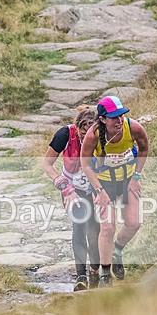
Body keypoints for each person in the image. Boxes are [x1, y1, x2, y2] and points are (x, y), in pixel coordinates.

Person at [80, 96, 149, 287]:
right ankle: (104, 274)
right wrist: (99, 191)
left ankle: (117, 251)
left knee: (134, 223)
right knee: (108, 227)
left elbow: (144, 149)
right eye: (114, 117)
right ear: (103, 119)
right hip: (103, 183)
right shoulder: (93, 135)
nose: (119, 121)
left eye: (121, 116)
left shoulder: (133, 127)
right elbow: (85, 165)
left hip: (127, 181)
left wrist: (136, 177)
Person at [42, 106, 100, 291]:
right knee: (79, 224)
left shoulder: (103, 135)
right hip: (72, 189)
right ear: (77, 129)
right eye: (82, 137)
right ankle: (81, 275)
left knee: (95, 229)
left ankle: (96, 270)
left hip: (96, 187)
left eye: (89, 137)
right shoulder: (65, 135)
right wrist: (64, 186)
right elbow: (47, 163)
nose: (86, 141)